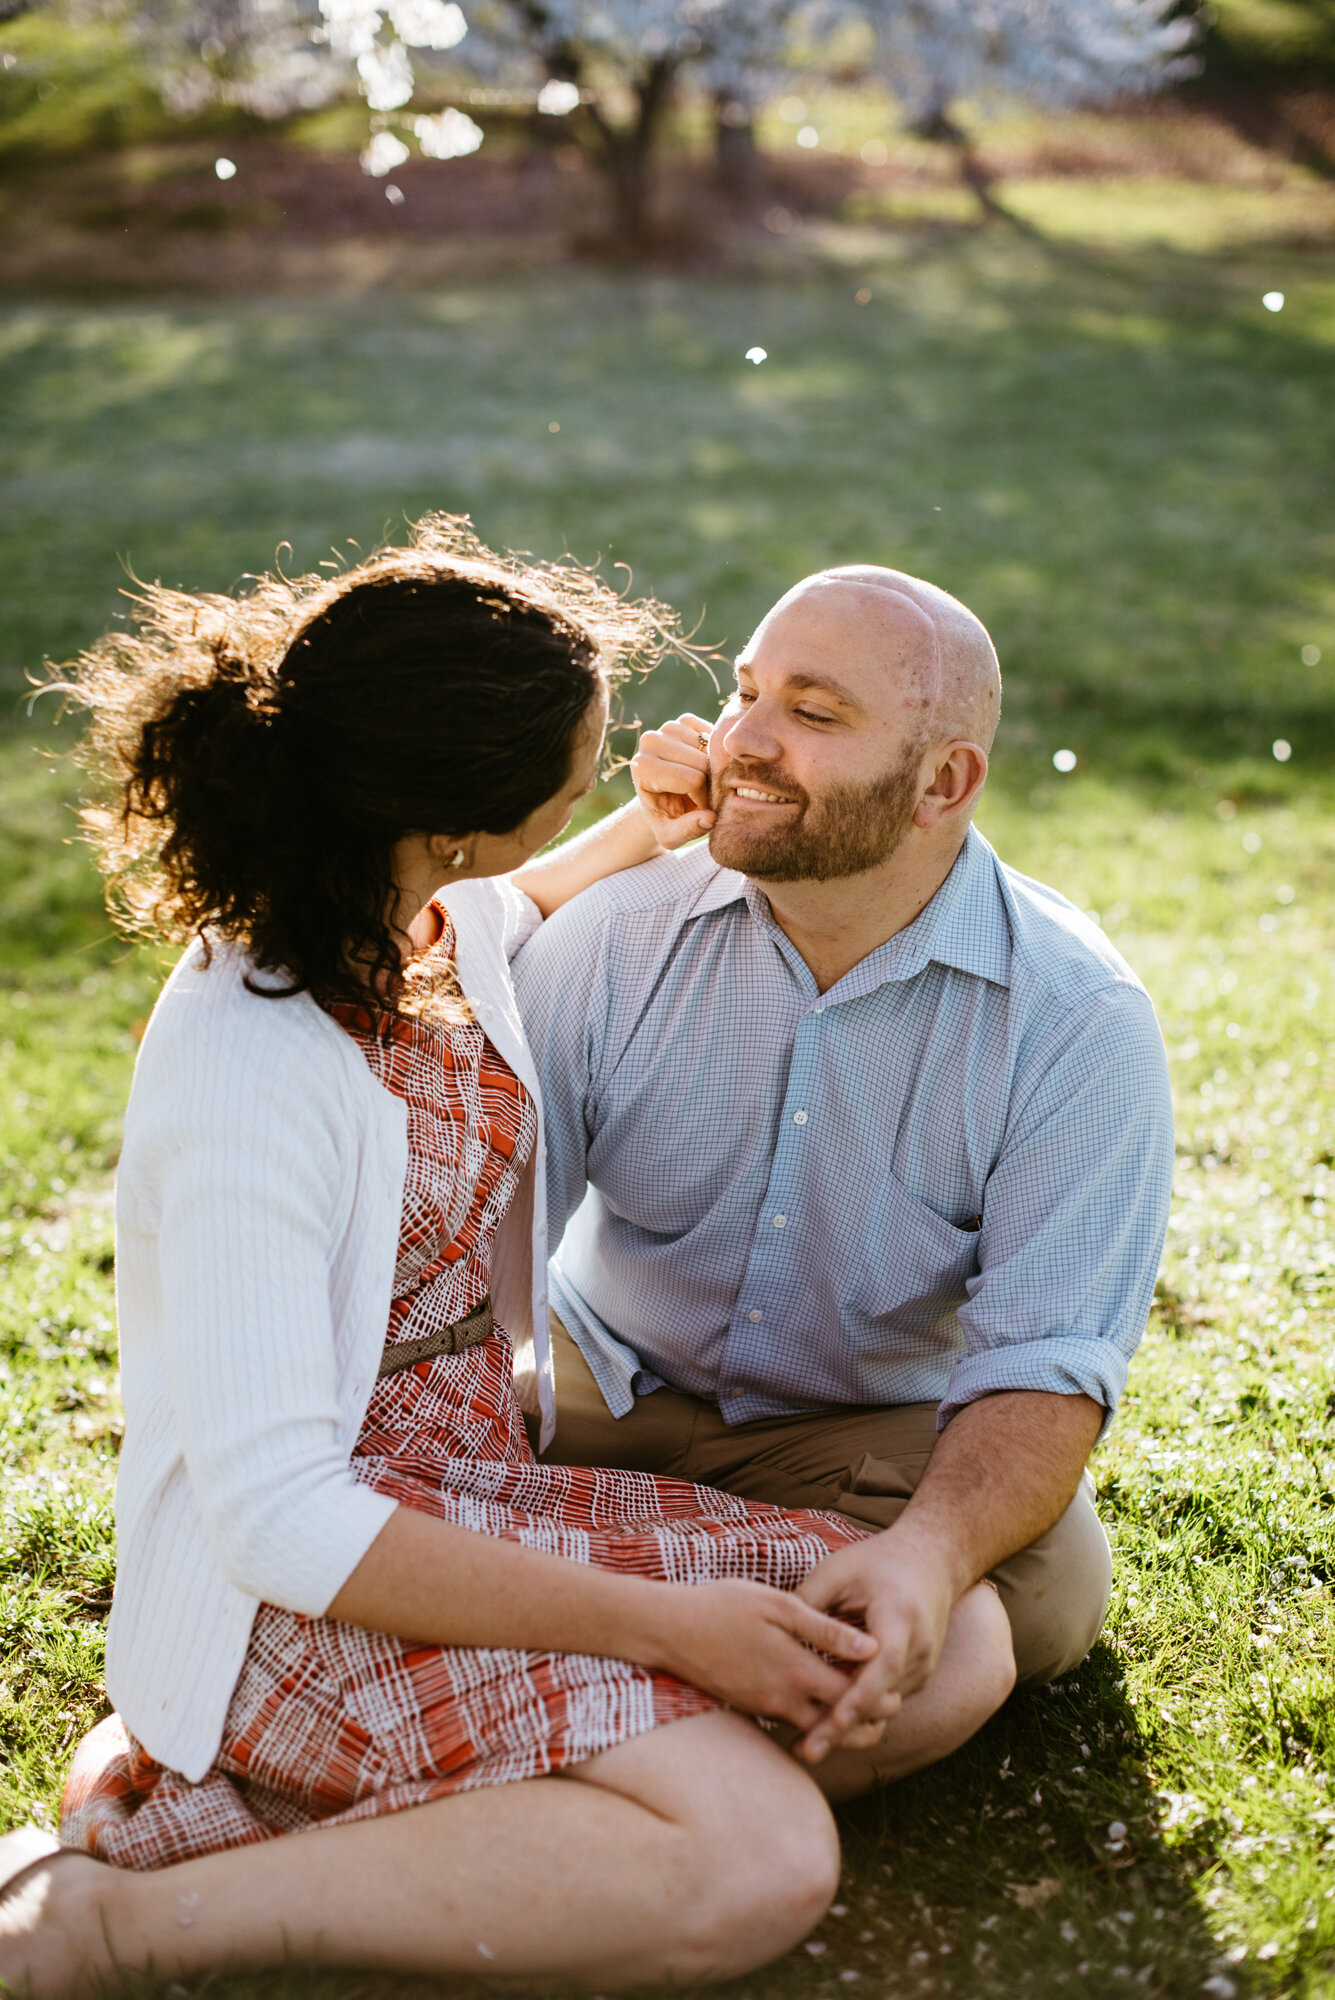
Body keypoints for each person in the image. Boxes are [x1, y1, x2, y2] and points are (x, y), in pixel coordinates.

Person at [0, 522, 1014, 1998]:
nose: (636, 762)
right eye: (590, 762)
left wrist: (642, 832)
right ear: (454, 817)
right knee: (761, 1860)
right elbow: (284, 1520)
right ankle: (115, 1923)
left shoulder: (394, 914)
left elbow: (497, 914)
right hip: (299, 1590)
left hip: (472, 1482)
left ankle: (479, 1803)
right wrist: (667, 1633)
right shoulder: (247, 1060)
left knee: (935, 1647)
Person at [513, 562, 1176, 1775]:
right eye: (744, 692)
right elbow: (482, 1248)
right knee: (410, 1442)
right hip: (596, 1375)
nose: (741, 742)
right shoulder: (611, 935)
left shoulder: (1077, 1018)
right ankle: (668, 1663)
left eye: (813, 715)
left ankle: (629, 1663)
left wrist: (928, 1551)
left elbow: (1047, 1354)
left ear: (943, 782)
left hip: (864, 1427)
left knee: (1050, 1582)